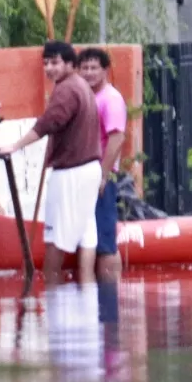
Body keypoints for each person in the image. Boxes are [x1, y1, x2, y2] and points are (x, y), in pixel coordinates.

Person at [7, 41, 101, 284]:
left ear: (70, 64)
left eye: (55, 62)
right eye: (46, 63)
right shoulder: (79, 86)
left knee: (56, 236)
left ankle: (51, 288)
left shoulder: (67, 90)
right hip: (88, 168)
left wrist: (14, 146)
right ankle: (88, 288)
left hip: (72, 171)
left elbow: (48, 124)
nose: (49, 68)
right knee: (86, 233)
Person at [77, 48, 128, 283]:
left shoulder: (110, 99)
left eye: (94, 68)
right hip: (85, 174)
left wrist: (103, 175)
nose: (89, 73)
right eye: (84, 68)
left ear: (105, 70)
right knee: (92, 236)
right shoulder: (87, 96)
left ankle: (110, 297)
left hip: (101, 176)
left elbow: (117, 138)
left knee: (105, 239)